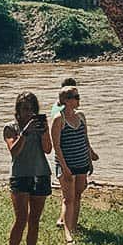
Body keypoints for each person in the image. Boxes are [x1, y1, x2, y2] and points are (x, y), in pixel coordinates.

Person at [3, 91, 52, 245]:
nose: (28, 113)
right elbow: (14, 151)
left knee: (34, 219)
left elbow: (47, 150)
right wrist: (25, 132)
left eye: (32, 109)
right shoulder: (11, 127)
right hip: (20, 175)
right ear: (17, 110)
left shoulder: (39, 127)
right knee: (21, 218)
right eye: (24, 109)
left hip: (41, 173)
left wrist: (44, 131)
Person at [51, 84, 98, 245]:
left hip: (81, 163)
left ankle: (74, 225)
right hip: (67, 165)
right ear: (66, 100)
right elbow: (56, 146)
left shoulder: (81, 116)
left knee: (78, 195)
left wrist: (90, 160)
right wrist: (64, 167)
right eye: (76, 97)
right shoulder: (59, 119)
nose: (79, 100)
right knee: (68, 199)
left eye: (78, 96)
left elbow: (85, 139)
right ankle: (68, 232)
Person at [51, 77, 78, 229]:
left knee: (67, 195)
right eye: (73, 95)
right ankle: (64, 221)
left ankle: (63, 219)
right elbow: (57, 139)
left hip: (69, 156)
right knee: (68, 195)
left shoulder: (66, 110)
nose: (76, 98)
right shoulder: (58, 111)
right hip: (65, 156)